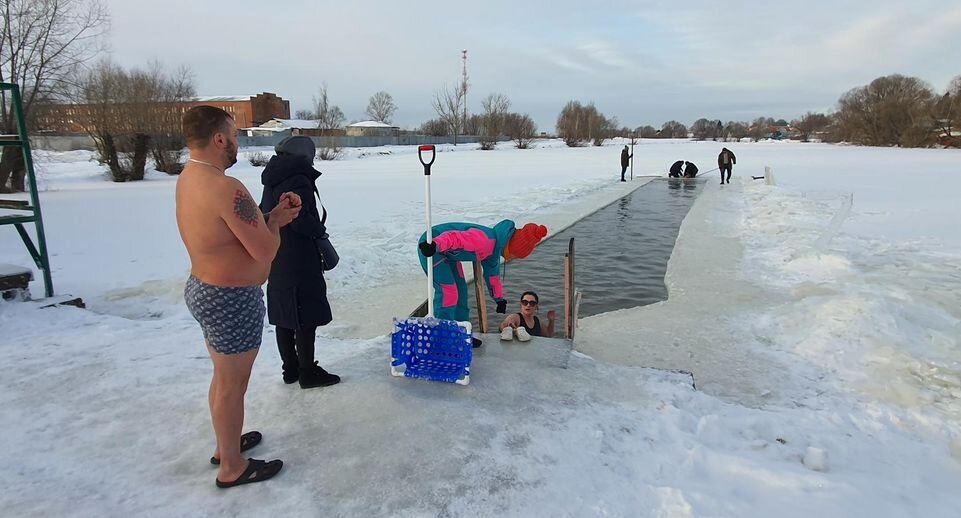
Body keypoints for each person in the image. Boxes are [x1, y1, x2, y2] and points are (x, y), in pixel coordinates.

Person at [177, 106, 301, 489]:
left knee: (223, 377)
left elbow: (232, 232)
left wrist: (268, 215)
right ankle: (232, 465)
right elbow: (264, 252)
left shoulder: (190, 177)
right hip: (231, 299)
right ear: (219, 139)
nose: (237, 142)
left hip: (205, 289)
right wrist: (277, 222)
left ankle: (224, 445)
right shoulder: (226, 187)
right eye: (233, 134)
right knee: (233, 385)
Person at [259, 136, 340, 389]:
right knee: (305, 314)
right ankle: (307, 372)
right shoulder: (298, 177)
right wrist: (319, 232)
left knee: (285, 312)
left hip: (277, 252)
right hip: (300, 255)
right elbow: (300, 218)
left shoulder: (273, 175)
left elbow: (265, 210)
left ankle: (290, 369)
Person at [418, 220, 548, 347]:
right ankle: (442, 335)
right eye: (514, 255)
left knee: (462, 292)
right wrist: (435, 245)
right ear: (511, 246)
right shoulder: (484, 240)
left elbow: (493, 275)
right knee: (449, 293)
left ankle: (462, 334)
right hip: (432, 245)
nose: (511, 258)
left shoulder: (494, 250)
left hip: (447, 254)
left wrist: (498, 299)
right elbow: (455, 237)